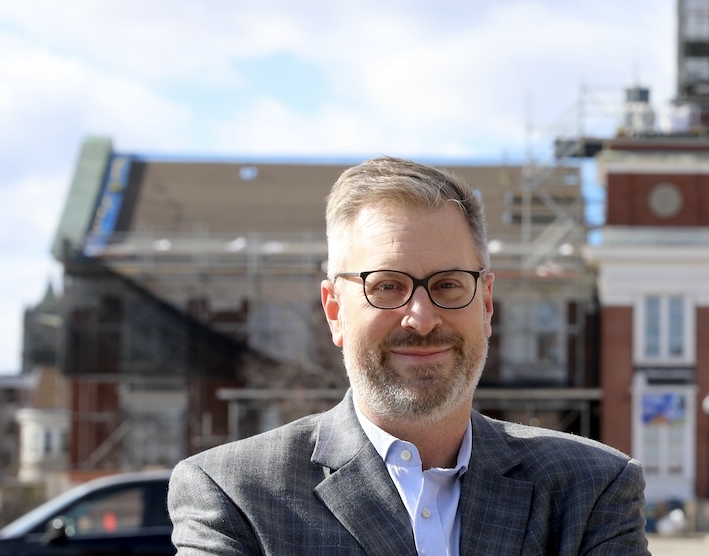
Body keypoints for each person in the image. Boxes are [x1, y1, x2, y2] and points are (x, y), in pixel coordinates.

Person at [170, 157, 649, 556]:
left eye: (447, 285)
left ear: (485, 304)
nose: (421, 318)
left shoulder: (593, 489)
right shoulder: (234, 496)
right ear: (335, 311)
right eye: (386, 287)